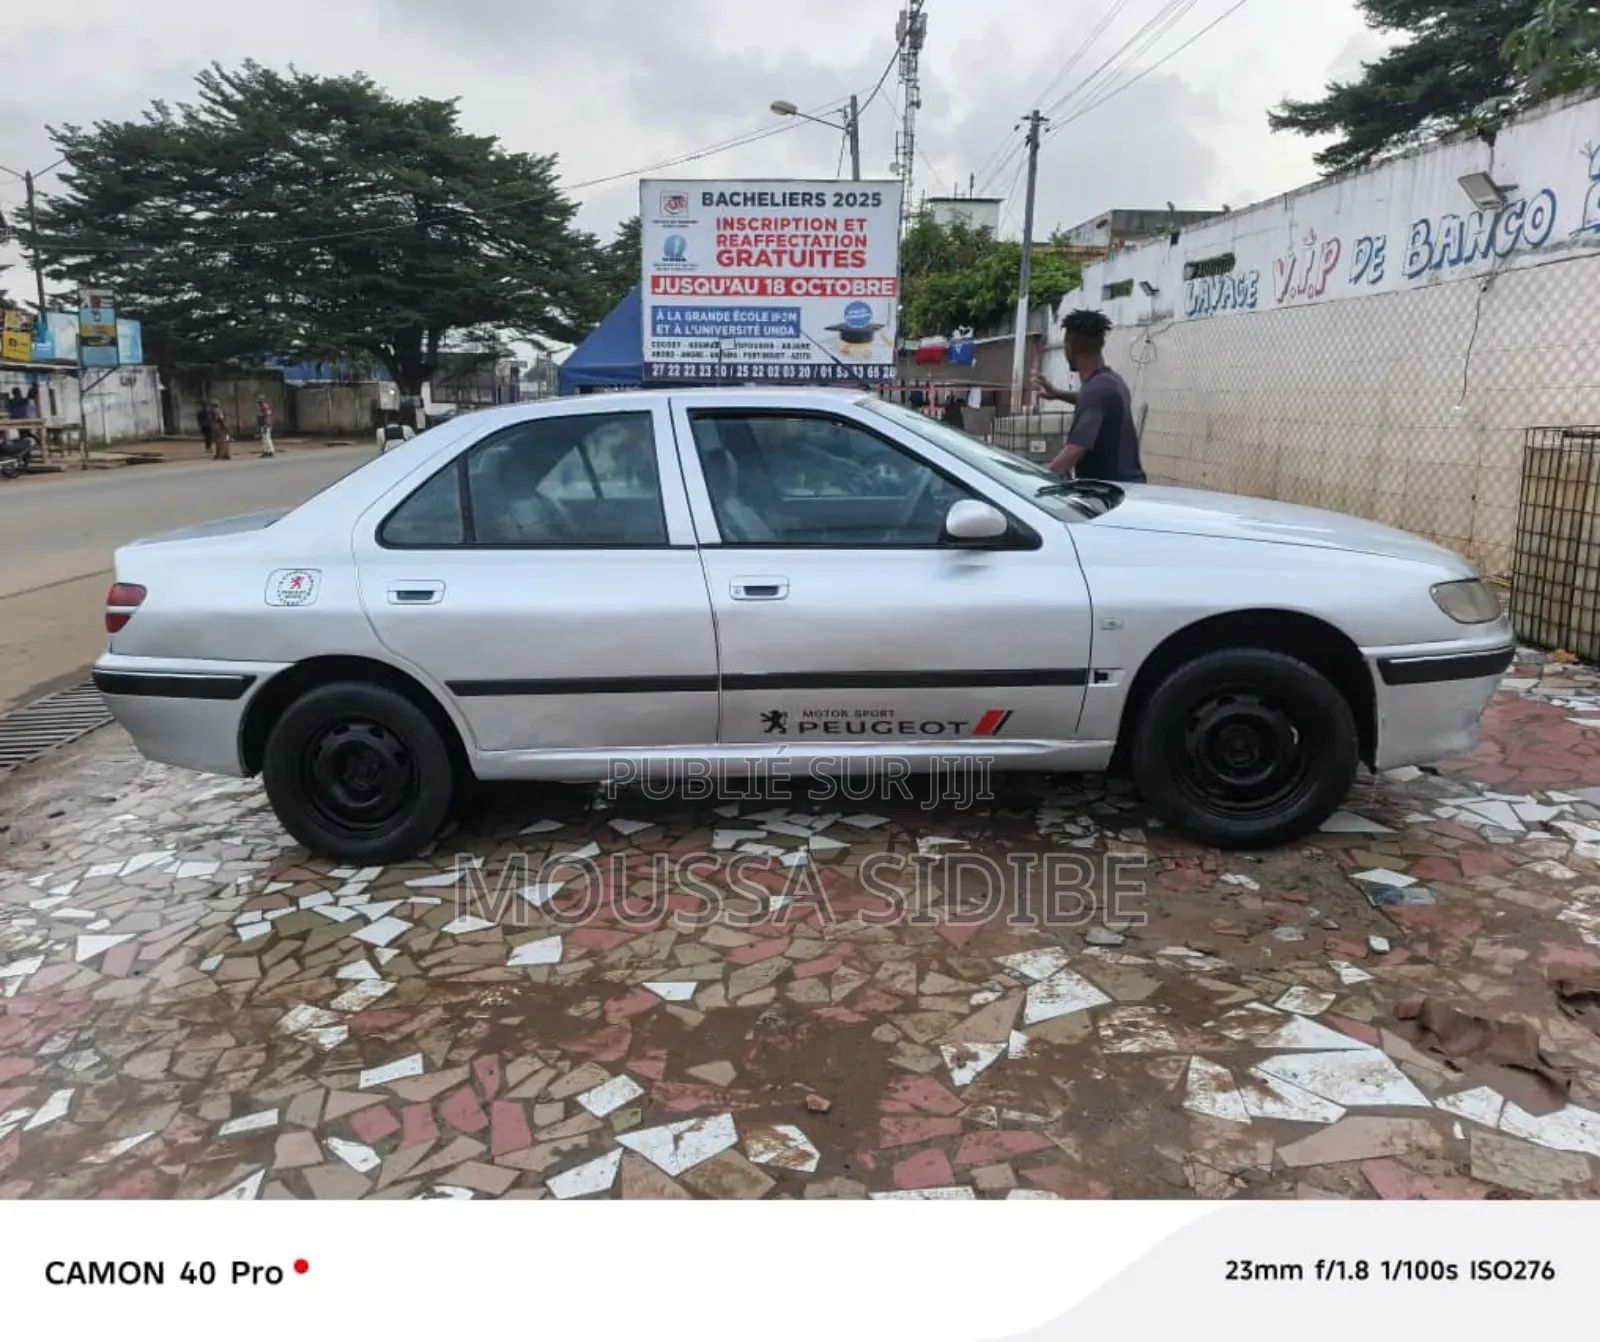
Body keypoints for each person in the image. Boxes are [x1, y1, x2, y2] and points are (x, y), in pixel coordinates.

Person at [1032, 308, 1145, 483]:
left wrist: (1037, 479)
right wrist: (1058, 394)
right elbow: (1094, 404)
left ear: (1070, 347)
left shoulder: (1096, 390)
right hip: (1129, 486)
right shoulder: (1112, 382)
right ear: (1101, 345)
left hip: (1110, 492)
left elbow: (1075, 450)